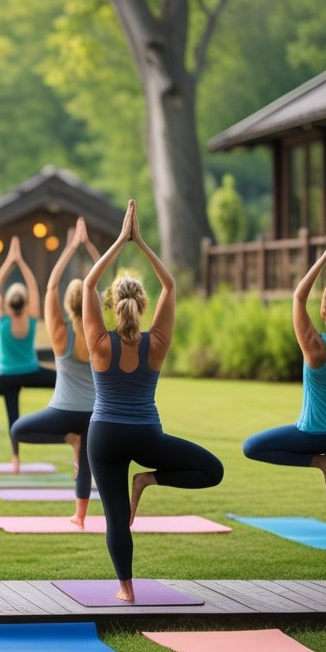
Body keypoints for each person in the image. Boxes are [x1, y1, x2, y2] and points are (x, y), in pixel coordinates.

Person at [82, 200, 224, 602]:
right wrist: (140, 243)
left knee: (115, 518)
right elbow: (172, 286)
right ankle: (147, 479)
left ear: (113, 305)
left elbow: (89, 285)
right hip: (147, 437)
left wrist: (119, 242)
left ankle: (126, 589)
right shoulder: (156, 344)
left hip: (104, 438)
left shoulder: (98, 344)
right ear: (142, 307)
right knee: (212, 470)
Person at [242, 216, 326, 550]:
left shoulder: (316, 349)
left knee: (252, 447)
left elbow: (297, 297)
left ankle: (317, 461)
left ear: (324, 312)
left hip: (313, 433)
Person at [10, 218, 100, 524]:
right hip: (93, 412)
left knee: (18, 430)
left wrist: (70, 247)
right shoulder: (98, 333)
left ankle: (69, 440)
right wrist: (88, 248)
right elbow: (101, 281)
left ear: (67, 302)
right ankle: (80, 516)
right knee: (86, 461)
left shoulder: (61, 333)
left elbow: (50, 285)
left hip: (62, 410)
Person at [0, 235, 57, 468]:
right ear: (24, 302)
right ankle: (65, 423)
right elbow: (34, 288)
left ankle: (15, 458)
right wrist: (22, 262)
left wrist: (9, 260)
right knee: (64, 380)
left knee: (11, 416)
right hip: (31, 372)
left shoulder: (1, 321)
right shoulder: (31, 317)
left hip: (7, 377)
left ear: (7, 303)